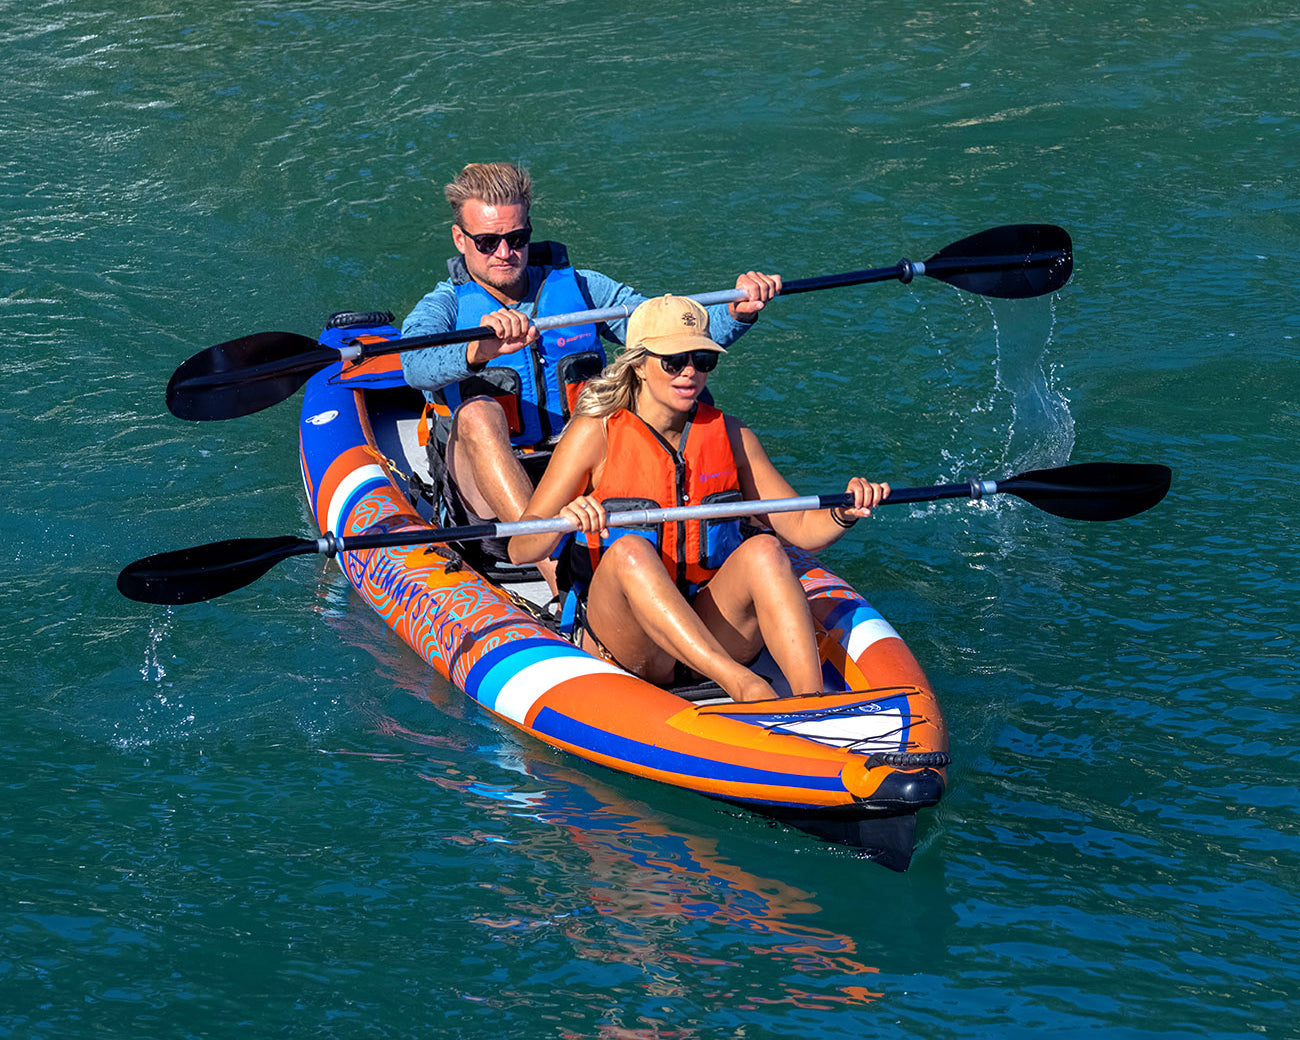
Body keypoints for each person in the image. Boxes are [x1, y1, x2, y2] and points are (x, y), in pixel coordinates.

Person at [400, 161, 781, 593]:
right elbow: (414, 367)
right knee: (476, 414)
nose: (505, 253)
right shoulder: (445, 305)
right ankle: (562, 577)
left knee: (678, 381)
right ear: (460, 239)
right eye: (487, 242)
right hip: (490, 500)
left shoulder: (583, 287)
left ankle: (719, 528)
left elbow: (666, 329)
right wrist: (478, 350)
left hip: (584, 471)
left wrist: (736, 312)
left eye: (517, 239)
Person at [508, 295, 890, 703]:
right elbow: (519, 548)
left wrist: (844, 512)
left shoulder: (732, 435)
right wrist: (567, 517)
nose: (690, 372)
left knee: (765, 548)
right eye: (673, 361)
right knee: (628, 551)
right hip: (631, 644)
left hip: (710, 624)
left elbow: (798, 527)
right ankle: (742, 684)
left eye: (703, 360)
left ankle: (812, 704)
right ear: (638, 364)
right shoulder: (594, 434)